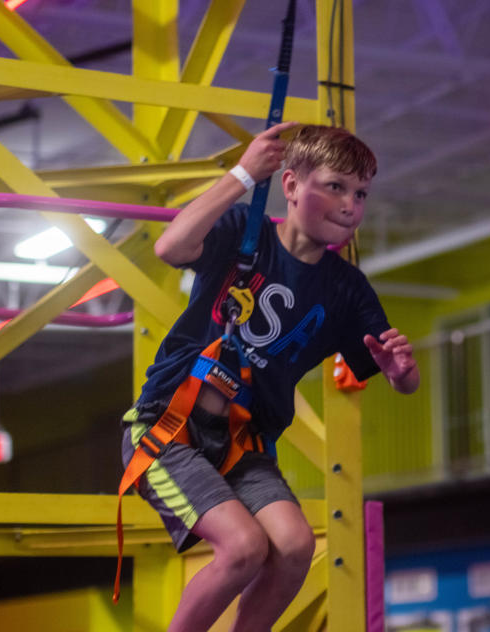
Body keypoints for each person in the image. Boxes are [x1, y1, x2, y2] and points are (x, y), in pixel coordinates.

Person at [121, 122, 420, 631]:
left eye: (361, 193)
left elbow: (400, 381)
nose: (352, 205)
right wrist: (241, 175)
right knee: (242, 548)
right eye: (335, 186)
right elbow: (171, 248)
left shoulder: (346, 289)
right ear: (290, 185)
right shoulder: (245, 232)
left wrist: (401, 373)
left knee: (295, 545)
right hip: (167, 432)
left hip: (244, 445)